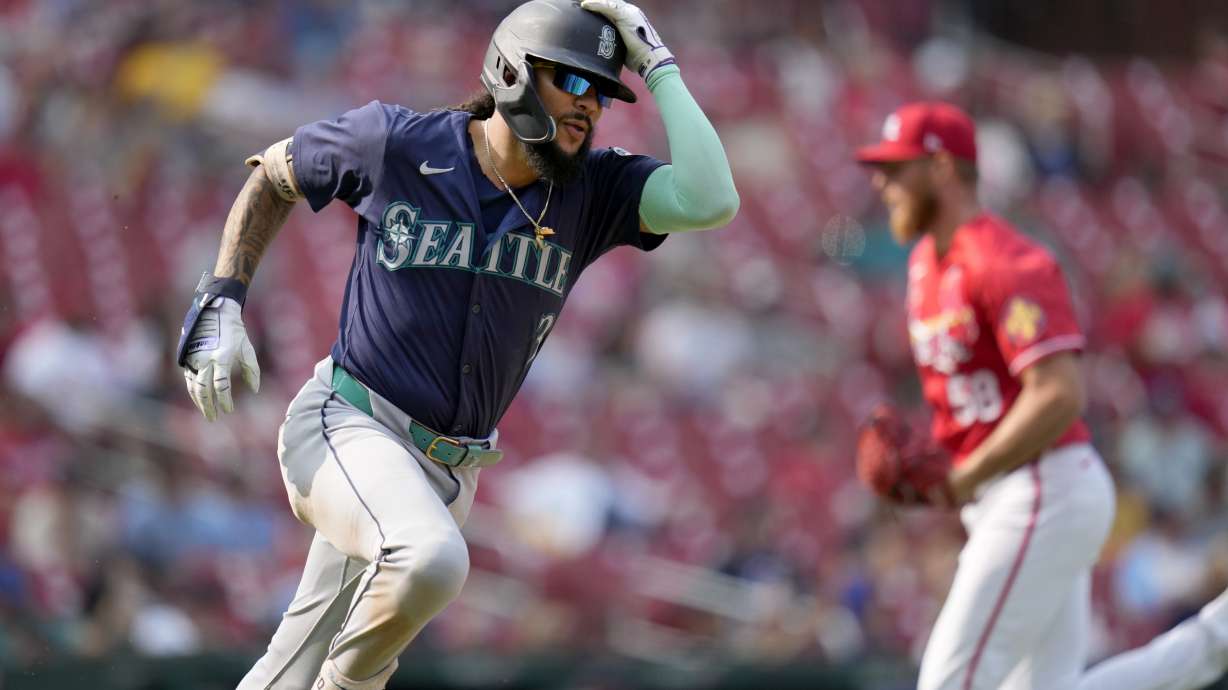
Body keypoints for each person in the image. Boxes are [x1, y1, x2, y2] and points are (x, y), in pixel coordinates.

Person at [173, 1, 738, 687]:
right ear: (513, 71)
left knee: (284, 672)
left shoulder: (593, 191)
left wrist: (657, 63)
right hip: (348, 425)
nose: (592, 107)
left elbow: (713, 198)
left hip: (447, 472)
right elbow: (275, 174)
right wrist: (223, 297)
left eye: (605, 94)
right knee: (430, 561)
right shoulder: (398, 143)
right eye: (576, 83)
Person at [855, 101, 1228, 690]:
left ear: (944, 169)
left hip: (1041, 490)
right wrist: (940, 462)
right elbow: (982, 404)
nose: (882, 182)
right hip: (1017, 495)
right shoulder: (927, 263)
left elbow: (1059, 395)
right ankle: (1218, 636)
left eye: (898, 169)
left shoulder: (1007, 260)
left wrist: (963, 474)